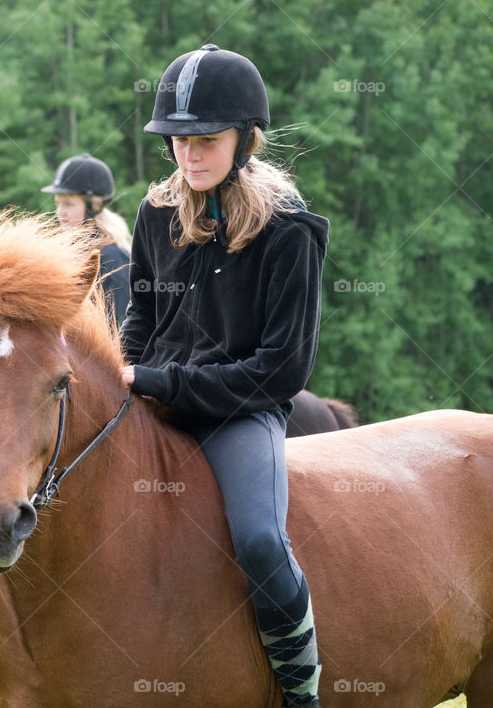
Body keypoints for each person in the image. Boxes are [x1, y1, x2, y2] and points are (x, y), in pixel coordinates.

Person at [119, 45, 328, 708]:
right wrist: (128, 377)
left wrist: (168, 384)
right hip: (154, 399)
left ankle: (302, 687)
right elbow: (141, 320)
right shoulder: (154, 215)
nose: (188, 154)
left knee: (262, 541)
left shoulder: (288, 230)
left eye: (205, 139)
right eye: (177, 140)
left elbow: (281, 371)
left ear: (245, 139)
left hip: (241, 414)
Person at [42, 153, 132, 324]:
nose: (59, 212)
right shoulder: (64, 255)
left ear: (94, 206)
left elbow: (118, 328)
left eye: (68, 204)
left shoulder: (113, 258)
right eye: (57, 203)